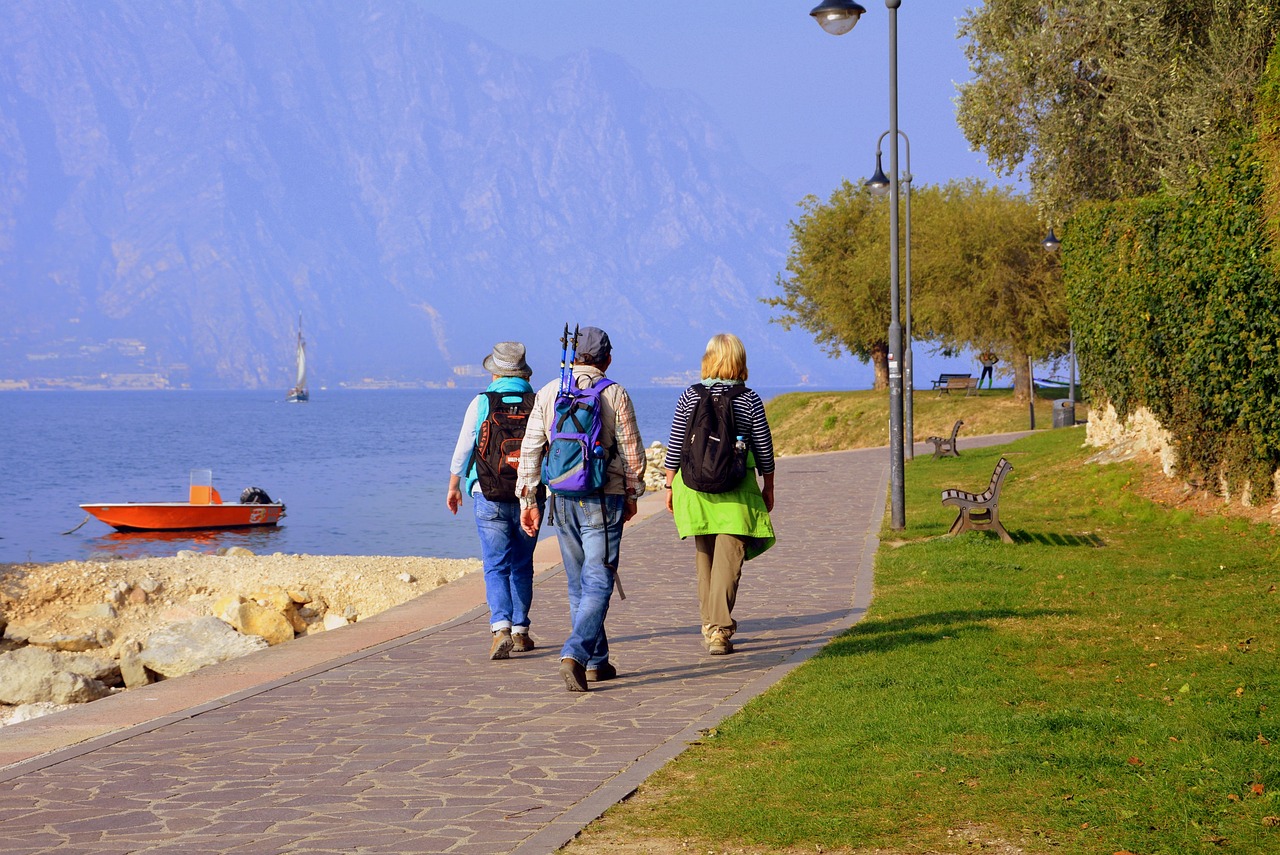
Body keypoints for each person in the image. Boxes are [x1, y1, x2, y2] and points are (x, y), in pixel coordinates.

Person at [516, 326, 646, 692]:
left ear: (573, 357)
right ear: (607, 357)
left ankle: (596, 662)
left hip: (561, 499)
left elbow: (530, 451)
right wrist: (633, 494)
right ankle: (574, 654)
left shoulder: (547, 391)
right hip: (604, 499)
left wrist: (529, 501)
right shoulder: (614, 393)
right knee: (600, 581)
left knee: (578, 585)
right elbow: (633, 452)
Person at [662, 333, 776, 655]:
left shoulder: (689, 395)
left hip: (695, 489)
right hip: (736, 488)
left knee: (706, 558)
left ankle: (710, 625)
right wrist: (769, 485)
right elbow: (764, 448)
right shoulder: (749, 399)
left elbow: (675, 446)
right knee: (729, 559)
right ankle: (720, 631)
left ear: (708, 360)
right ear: (739, 361)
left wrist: (670, 486)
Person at [446, 341, 544, 660]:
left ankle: (500, 626)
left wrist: (454, 485)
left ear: (494, 374)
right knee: (522, 564)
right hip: (529, 495)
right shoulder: (537, 401)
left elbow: (464, 447)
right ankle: (520, 631)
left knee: (495, 563)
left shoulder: (482, 402)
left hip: (488, 492)